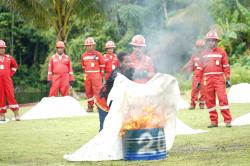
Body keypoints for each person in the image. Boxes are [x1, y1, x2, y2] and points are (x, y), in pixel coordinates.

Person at [197, 31, 232, 128]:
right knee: (209, 101)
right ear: (206, 42)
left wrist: (228, 79)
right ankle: (214, 122)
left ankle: (227, 120)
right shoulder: (203, 54)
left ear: (217, 42)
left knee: (223, 99)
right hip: (207, 80)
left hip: (219, 79)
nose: (211, 42)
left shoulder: (222, 52)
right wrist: (198, 81)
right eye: (209, 41)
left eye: (213, 41)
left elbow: (226, 66)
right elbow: (199, 69)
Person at [96, 52, 134, 131]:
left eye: (130, 61)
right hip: (103, 101)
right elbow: (121, 82)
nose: (129, 64)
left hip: (114, 101)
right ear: (120, 63)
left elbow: (141, 74)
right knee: (105, 127)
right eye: (126, 62)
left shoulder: (130, 71)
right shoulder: (116, 74)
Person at [81, 37, 105, 112]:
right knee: (88, 91)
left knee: (98, 91)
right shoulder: (83, 55)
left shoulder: (98, 54)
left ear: (93, 46)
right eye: (87, 46)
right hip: (87, 76)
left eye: (90, 45)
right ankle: (90, 106)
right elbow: (83, 66)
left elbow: (102, 65)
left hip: (96, 75)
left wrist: (100, 76)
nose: (88, 47)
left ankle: (99, 107)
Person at [182, 39, 206, 110]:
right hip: (196, 75)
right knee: (195, 90)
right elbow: (190, 63)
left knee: (203, 90)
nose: (200, 48)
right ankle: (193, 104)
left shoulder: (206, 55)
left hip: (204, 75)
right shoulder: (194, 56)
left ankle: (202, 104)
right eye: (198, 47)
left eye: (201, 47)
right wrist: (185, 68)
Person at [0, 40, 20, 121]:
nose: (2, 49)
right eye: (0, 48)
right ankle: (2, 116)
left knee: (11, 96)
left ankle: (16, 115)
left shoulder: (9, 58)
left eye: (3, 48)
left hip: (7, 81)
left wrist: (10, 74)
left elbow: (15, 66)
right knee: (0, 97)